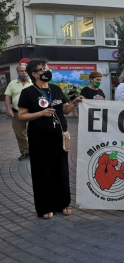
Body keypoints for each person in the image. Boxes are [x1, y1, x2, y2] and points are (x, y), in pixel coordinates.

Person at [18, 58, 84, 219]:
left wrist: (74, 102)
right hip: (39, 137)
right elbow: (21, 115)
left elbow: (66, 110)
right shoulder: (28, 92)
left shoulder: (56, 89)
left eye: (48, 68)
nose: (48, 71)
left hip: (60, 136)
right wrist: (40, 113)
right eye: (43, 69)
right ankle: (45, 207)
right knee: (42, 171)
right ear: (34, 74)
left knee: (61, 170)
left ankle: (63, 204)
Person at [5, 65, 32, 160]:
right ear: (18, 73)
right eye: (21, 71)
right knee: (20, 133)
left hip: (32, 113)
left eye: (25, 71)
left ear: (28, 71)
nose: (23, 72)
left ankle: (34, 151)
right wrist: (9, 109)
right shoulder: (12, 83)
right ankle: (25, 152)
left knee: (32, 132)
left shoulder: (33, 83)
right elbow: (7, 97)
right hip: (17, 113)